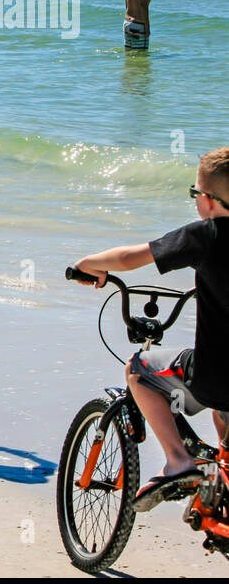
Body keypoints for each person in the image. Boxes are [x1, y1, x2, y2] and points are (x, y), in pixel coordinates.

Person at [70, 146, 229, 511]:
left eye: (196, 194)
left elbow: (131, 258)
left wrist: (87, 264)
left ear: (206, 200)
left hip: (215, 377)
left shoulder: (206, 236)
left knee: (138, 369)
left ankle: (178, 461)